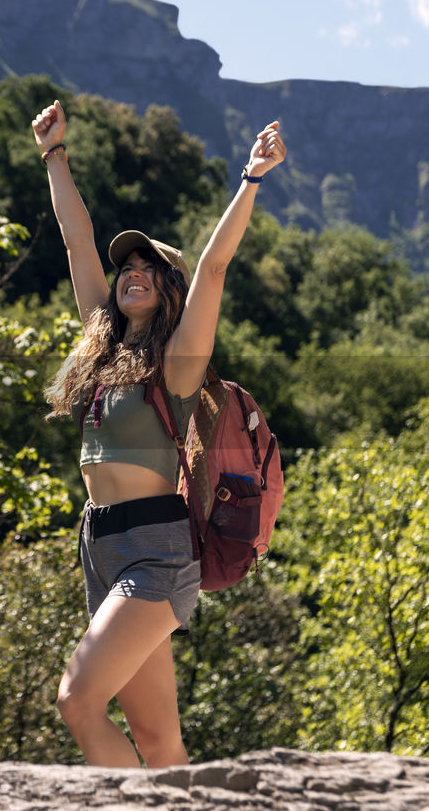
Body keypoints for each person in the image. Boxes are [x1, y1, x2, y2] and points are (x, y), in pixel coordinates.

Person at [31, 99, 285, 768]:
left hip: (156, 549)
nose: (130, 271)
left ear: (168, 287)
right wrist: (54, 155)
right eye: (126, 267)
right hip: (101, 545)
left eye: (149, 266)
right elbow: (77, 242)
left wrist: (251, 180)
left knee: (77, 702)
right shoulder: (99, 347)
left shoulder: (176, 365)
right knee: (158, 740)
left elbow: (214, 268)